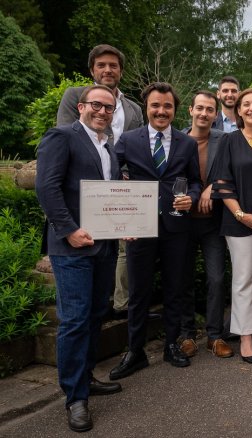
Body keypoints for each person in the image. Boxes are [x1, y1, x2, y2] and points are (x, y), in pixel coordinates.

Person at [37, 85, 123, 432]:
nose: (103, 112)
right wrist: (69, 229)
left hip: (104, 246)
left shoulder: (109, 148)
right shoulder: (61, 137)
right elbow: (47, 187)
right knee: (73, 320)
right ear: (82, 107)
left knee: (94, 315)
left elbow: (112, 195)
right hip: (72, 247)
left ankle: (85, 378)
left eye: (109, 108)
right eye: (97, 106)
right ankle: (74, 398)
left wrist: (124, 224)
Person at [110, 82, 201, 380]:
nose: (161, 111)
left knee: (175, 288)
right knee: (138, 291)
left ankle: (171, 345)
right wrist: (119, 216)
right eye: (155, 106)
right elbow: (112, 179)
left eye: (167, 106)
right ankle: (135, 351)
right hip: (139, 226)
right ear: (147, 107)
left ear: (175, 109)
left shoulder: (186, 143)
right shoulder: (127, 139)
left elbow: (196, 182)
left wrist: (194, 197)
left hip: (176, 226)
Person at [57, 43, 143, 322]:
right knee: (88, 248)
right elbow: (66, 137)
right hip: (86, 191)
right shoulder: (75, 96)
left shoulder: (133, 108)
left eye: (113, 65)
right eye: (102, 65)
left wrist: (127, 175)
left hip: (122, 185)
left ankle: (118, 304)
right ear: (93, 69)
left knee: (121, 249)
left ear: (120, 71)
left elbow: (137, 145)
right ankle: (96, 307)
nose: (108, 70)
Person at [210, 89, 252, 364]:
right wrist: (241, 214)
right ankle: (246, 336)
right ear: (238, 110)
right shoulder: (229, 141)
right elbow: (222, 183)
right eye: (246, 104)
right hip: (238, 221)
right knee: (243, 279)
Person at [176, 90, 232, 359]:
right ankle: (186, 334)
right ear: (190, 110)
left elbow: (232, 172)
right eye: (200, 108)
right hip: (182, 223)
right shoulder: (176, 140)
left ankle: (214, 335)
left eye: (210, 109)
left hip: (213, 222)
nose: (204, 114)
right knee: (183, 278)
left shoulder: (225, 140)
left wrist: (213, 187)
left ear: (215, 113)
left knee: (216, 278)